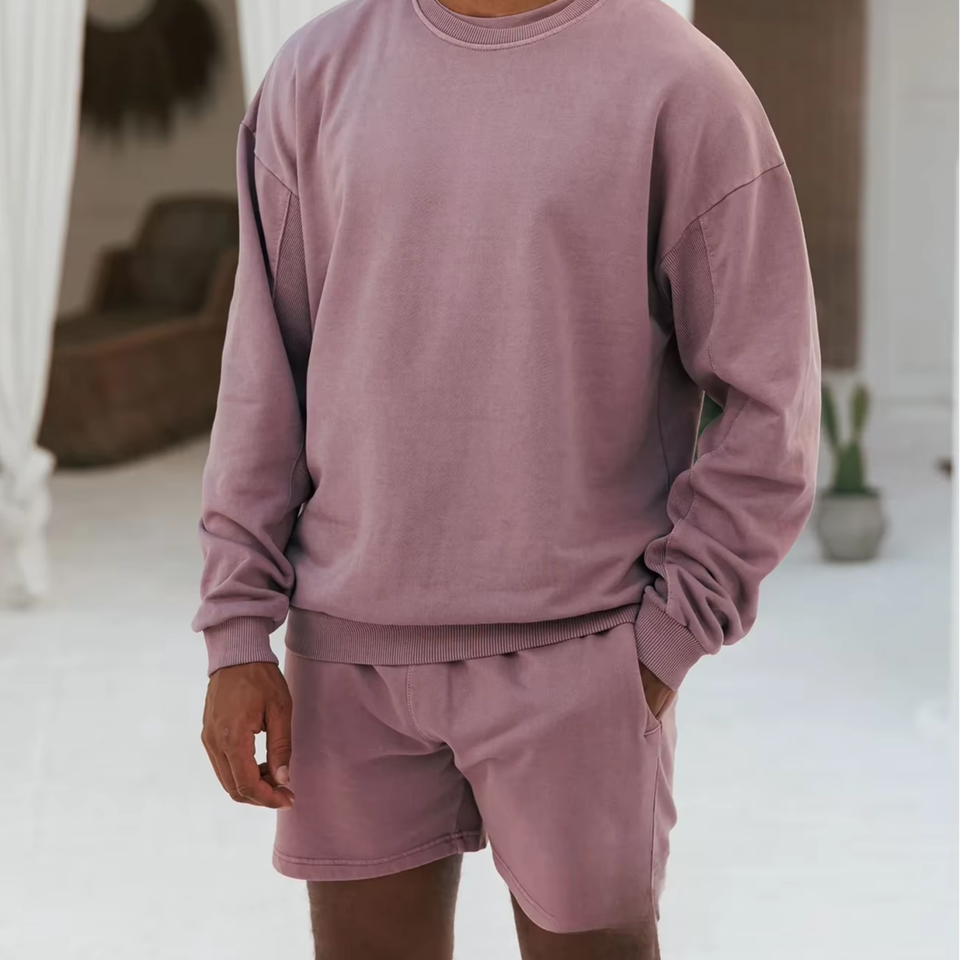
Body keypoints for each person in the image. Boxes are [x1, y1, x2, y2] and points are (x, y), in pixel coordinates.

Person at [193, 0, 821, 955]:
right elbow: (262, 376)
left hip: (580, 656)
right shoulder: (314, 74)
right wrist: (237, 631)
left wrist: (662, 643)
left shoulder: (680, 83)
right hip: (349, 664)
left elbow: (773, 402)